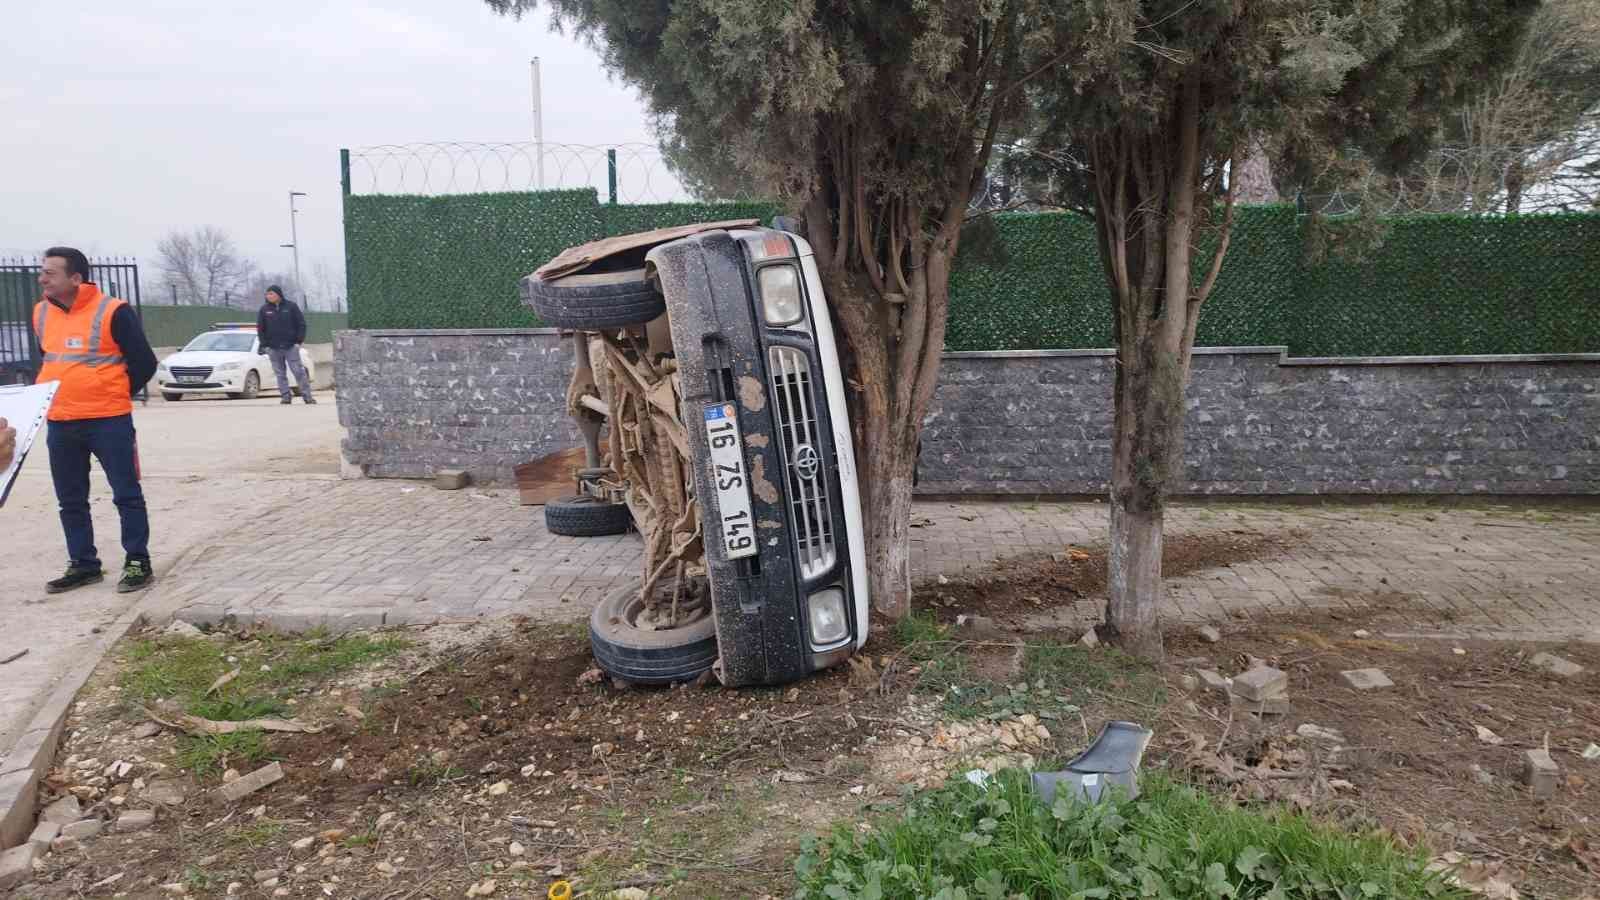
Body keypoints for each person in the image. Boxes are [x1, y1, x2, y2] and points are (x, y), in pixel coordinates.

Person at [34, 247, 158, 593]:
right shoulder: (40, 314)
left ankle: (137, 561)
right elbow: (51, 361)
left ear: (75, 278)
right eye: (42, 272)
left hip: (109, 421)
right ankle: (84, 564)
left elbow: (145, 362)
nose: (43, 278)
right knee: (70, 499)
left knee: (126, 493)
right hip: (61, 421)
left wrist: (112, 392)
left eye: (51, 273)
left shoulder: (113, 311)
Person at [256, 285, 315, 405]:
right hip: (273, 348)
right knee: (279, 373)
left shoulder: (291, 306)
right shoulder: (264, 310)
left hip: (291, 346)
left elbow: (301, 324)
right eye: (267, 294)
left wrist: (298, 342)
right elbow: (260, 329)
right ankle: (285, 397)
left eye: (271, 294)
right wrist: (265, 345)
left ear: (278, 294)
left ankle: (307, 397)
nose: (269, 296)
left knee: (298, 371)